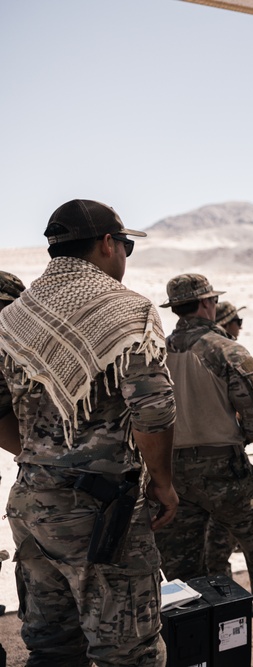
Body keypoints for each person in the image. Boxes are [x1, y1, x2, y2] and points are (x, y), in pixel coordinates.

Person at [0, 199, 177, 665]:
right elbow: (153, 411)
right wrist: (162, 483)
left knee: (52, 648)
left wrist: (47, 464)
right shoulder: (127, 313)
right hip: (102, 514)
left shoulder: (14, 320)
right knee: (128, 652)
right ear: (106, 244)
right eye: (126, 245)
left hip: (32, 506)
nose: (124, 254)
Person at [155, 273, 253, 663]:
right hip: (226, 470)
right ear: (207, 304)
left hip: (172, 472)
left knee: (181, 571)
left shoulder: (154, 351)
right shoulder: (225, 350)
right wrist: (239, 434)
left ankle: (189, 649)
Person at [201, 299, 250, 577]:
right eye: (238, 323)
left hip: (181, 468)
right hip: (223, 464)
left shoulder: (172, 350)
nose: (240, 329)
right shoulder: (230, 353)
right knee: (222, 541)